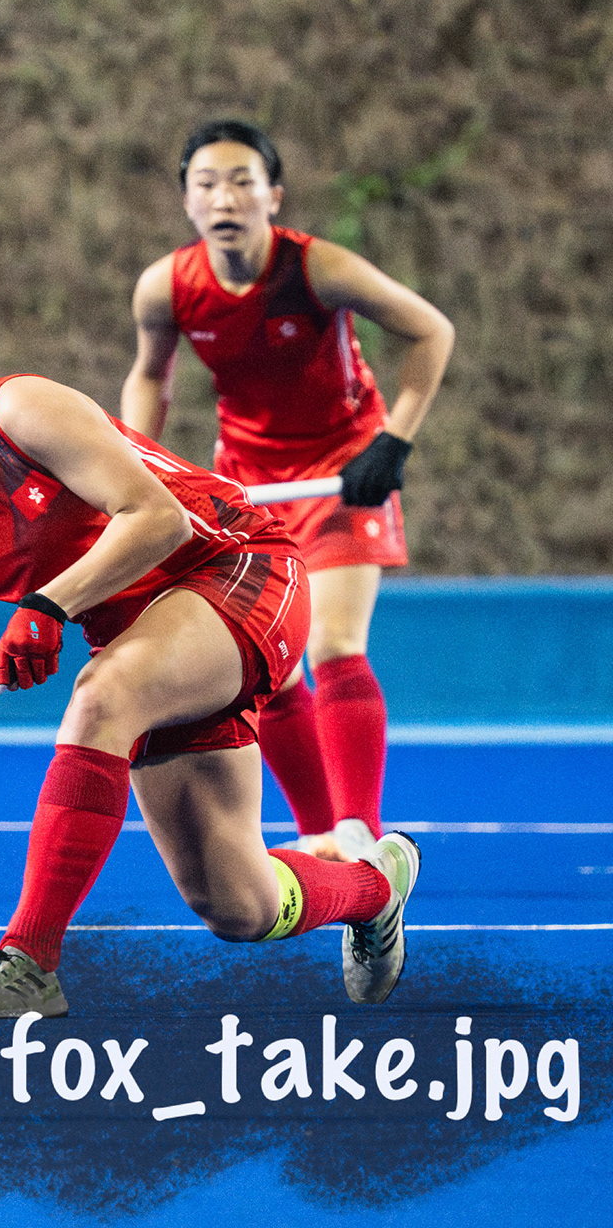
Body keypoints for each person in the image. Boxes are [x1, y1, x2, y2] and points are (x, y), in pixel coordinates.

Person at [0, 307, 420, 1017]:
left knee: (101, 695)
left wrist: (49, 606)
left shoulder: (16, 413)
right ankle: (377, 888)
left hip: (238, 568)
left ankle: (27, 963)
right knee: (239, 906)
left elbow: (156, 518)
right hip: (150, 645)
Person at [122, 120, 454, 862]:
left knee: (334, 643)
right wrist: (134, 466)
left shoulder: (317, 268)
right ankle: (318, 834)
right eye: (207, 184)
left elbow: (432, 332)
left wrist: (393, 440)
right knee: (267, 669)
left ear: (273, 195)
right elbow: (150, 377)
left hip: (343, 472)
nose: (225, 198)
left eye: (243, 181)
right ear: (186, 200)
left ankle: (360, 834)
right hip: (250, 484)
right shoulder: (166, 287)